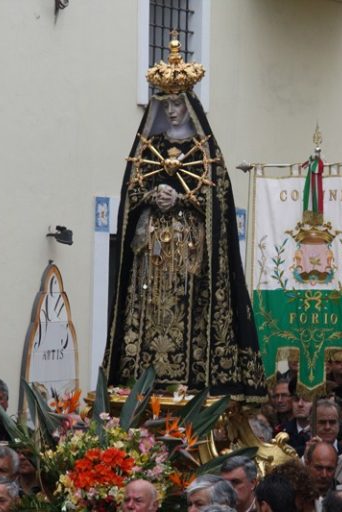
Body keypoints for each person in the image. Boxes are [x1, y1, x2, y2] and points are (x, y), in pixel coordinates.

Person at [103, 38, 266, 402]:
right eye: (167, 103)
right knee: (146, 307)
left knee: (187, 308)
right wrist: (149, 196)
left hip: (189, 254)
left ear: (189, 105)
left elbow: (219, 200)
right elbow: (130, 195)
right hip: (151, 251)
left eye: (178, 103)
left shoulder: (207, 151)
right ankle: (140, 376)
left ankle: (192, 375)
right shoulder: (150, 148)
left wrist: (184, 198)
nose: (173, 110)